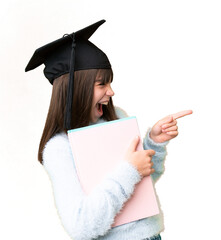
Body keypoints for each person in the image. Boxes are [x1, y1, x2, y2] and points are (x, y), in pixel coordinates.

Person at [25, 19, 192, 240]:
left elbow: (145, 185)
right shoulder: (59, 149)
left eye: (110, 83)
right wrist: (130, 170)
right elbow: (81, 227)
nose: (111, 92)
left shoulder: (117, 117)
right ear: (77, 89)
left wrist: (154, 143)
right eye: (102, 84)